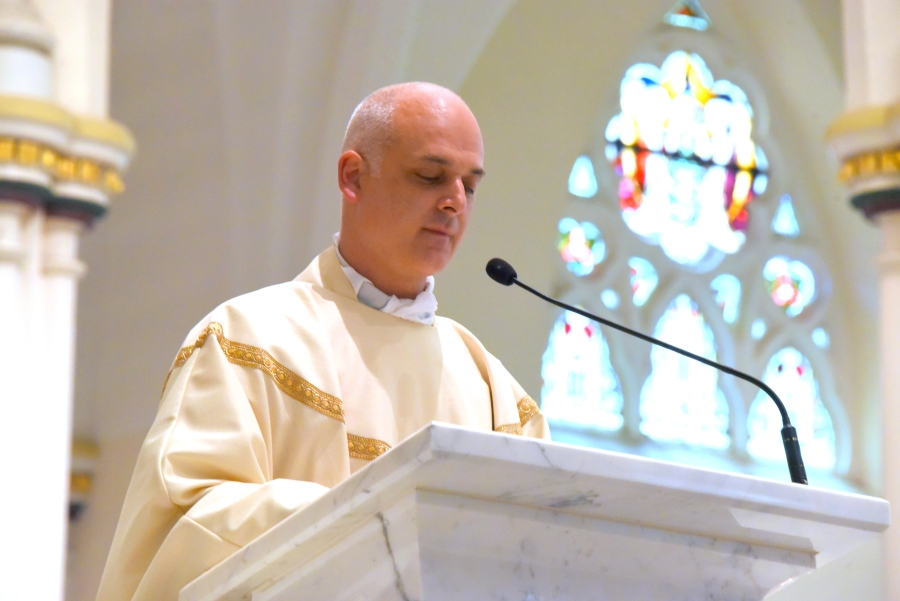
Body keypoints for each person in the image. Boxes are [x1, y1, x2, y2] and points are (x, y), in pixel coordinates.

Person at [95, 82, 550, 601]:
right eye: (430, 176)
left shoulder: (492, 391)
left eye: (469, 186)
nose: (454, 202)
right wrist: (367, 522)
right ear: (353, 177)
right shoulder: (248, 340)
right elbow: (186, 526)